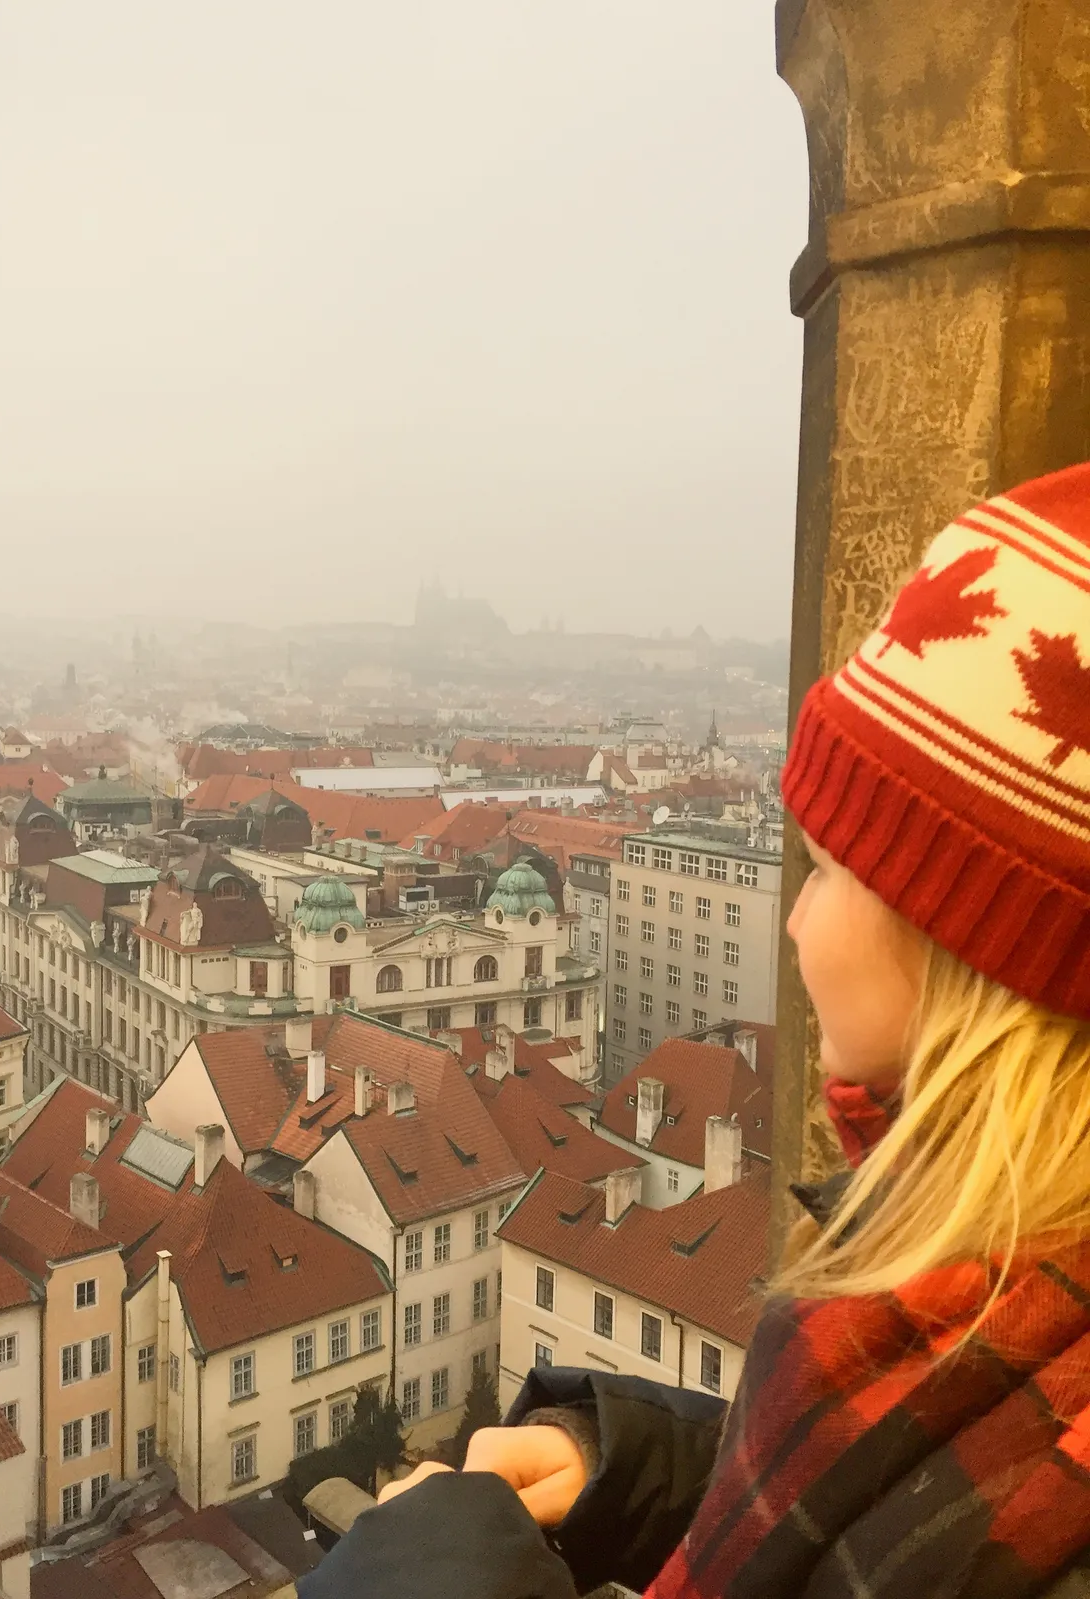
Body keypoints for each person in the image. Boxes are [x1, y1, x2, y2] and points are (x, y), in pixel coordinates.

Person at [299, 462, 1090, 1599]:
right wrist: (637, 1472)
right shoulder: (986, 1272)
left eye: (824, 869)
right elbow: (884, 1498)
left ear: (977, 941)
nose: (798, 924)